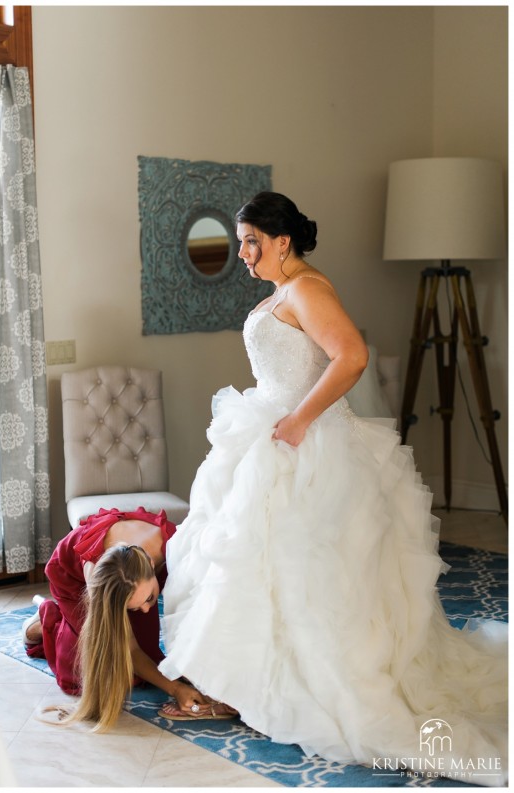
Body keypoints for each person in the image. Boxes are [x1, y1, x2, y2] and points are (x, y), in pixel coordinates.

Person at [157, 192, 507, 784]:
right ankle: (236, 682)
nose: (242, 253)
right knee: (249, 562)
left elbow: (351, 356)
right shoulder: (287, 290)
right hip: (272, 434)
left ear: (283, 241)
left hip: (305, 443)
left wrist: (299, 421)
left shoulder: (308, 289)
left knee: (300, 570)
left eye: (251, 241)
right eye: (241, 242)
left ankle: (281, 684)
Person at [23, 506, 227, 732]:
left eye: (150, 598)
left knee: (149, 663)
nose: (148, 609)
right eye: (137, 605)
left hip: (126, 572)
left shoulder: (172, 544)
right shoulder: (96, 583)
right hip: (72, 577)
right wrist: (176, 689)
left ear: (150, 563)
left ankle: (67, 623)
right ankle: (47, 621)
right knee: (93, 671)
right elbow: (128, 649)